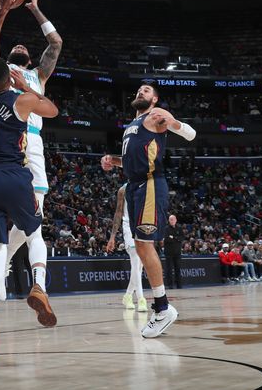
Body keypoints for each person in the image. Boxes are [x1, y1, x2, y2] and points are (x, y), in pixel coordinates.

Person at [0, 0, 61, 377]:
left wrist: (4, 10)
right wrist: (25, 88)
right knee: (35, 229)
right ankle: (38, 284)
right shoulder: (20, 93)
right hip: (17, 166)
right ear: (11, 72)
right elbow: (53, 110)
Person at [100, 81, 196, 338]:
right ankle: (162, 307)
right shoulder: (130, 126)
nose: (140, 91)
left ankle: (163, 308)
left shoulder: (157, 117)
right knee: (142, 245)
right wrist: (113, 161)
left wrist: (173, 122)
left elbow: (191, 135)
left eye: (146, 90)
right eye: (138, 89)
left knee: (144, 243)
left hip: (151, 184)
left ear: (154, 100)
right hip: (134, 186)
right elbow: (133, 161)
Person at [106, 184, 147, 311]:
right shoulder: (123, 190)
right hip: (128, 226)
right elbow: (118, 213)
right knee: (135, 261)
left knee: (139, 265)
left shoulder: (146, 186)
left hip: (142, 226)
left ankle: (128, 295)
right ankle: (141, 299)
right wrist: (112, 237)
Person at [164, 214, 183, 289]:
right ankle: (170, 285)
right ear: (169, 221)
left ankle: (179, 284)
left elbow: (182, 238)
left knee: (178, 268)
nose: (172, 221)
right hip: (169, 252)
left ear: (176, 220)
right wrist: (176, 239)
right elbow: (167, 239)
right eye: (170, 219)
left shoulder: (179, 228)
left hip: (177, 252)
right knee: (169, 269)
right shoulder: (166, 229)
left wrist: (174, 237)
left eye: (173, 219)